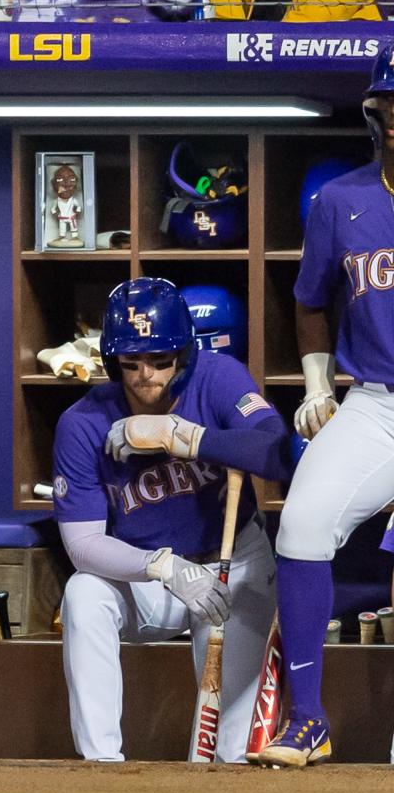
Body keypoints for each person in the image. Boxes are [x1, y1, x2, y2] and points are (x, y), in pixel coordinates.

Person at [53, 277, 291, 763]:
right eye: (131, 362)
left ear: (185, 353)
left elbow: (276, 451)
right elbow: (82, 545)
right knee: (84, 593)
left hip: (231, 564)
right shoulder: (83, 421)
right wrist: (163, 566)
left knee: (228, 753)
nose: (146, 375)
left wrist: (182, 434)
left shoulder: (219, 377)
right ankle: (101, 767)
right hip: (149, 576)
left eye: (160, 361)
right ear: (111, 360)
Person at [257, 41, 394, 769]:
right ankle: (307, 718)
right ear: (376, 112)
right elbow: (310, 301)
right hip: (376, 406)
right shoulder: (341, 200)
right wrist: (315, 386)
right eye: (391, 105)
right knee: (303, 524)